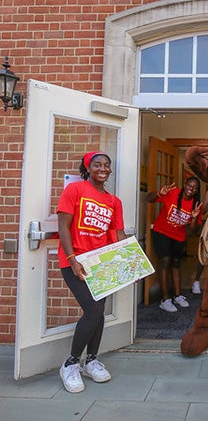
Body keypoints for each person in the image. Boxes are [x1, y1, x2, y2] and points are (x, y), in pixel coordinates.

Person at [57, 151, 125, 393]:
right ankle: (71, 363)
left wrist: (131, 262)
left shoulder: (114, 201)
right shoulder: (74, 191)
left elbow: (118, 234)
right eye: (98, 164)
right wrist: (72, 259)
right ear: (88, 167)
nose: (103, 168)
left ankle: (92, 360)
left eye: (107, 165)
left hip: (101, 263)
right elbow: (63, 226)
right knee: (93, 310)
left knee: (99, 312)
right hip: (75, 263)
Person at [146, 177, 202, 312]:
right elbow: (148, 198)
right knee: (164, 262)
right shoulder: (172, 193)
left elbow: (194, 231)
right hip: (161, 232)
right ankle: (165, 300)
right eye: (189, 185)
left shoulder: (196, 204)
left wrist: (194, 218)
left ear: (197, 190)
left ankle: (177, 295)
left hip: (179, 236)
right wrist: (159, 193)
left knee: (176, 263)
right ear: (184, 184)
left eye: (194, 188)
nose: (191, 189)